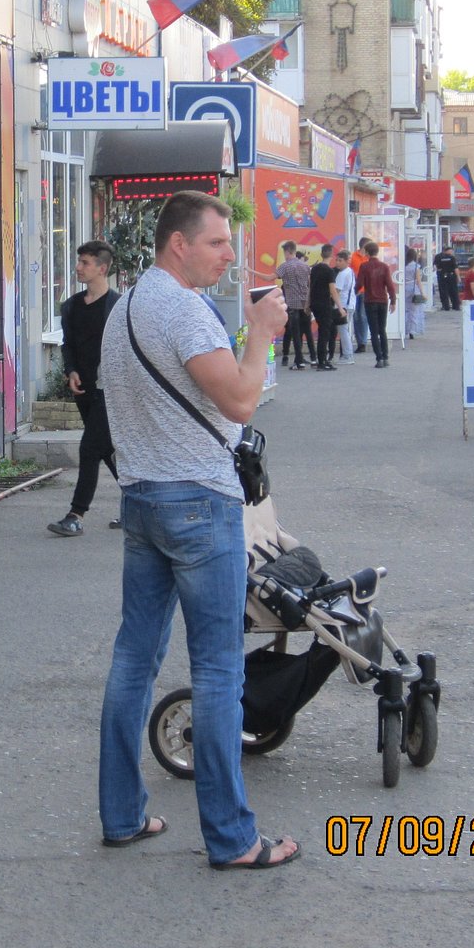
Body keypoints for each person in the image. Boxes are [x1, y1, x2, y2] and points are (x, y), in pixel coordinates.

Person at [97, 191, 299, 869]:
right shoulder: (182, 310)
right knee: (218, 670)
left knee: (134, 659)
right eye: (216, 243)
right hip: (198, 503)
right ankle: (233, 838)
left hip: (142, 499)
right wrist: (264, 331)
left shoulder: (126, 307)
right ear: (178, 244)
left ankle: (122, 814)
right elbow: (241, 398)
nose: (228, 255)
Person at [47, 240, 120, 536]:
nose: (78, 267)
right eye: (79, 262)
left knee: (90, 447)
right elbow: (68, 346)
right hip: (84, 389)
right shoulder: (72, 306)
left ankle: (76, 514)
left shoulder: (118, 306)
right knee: (107, 449)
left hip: (111, 390)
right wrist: (71, 371)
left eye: (85, 263)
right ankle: (140, 503)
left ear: (102, 268)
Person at [355, 242, 396, 368]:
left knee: (373, 331)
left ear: (367, 252)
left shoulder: (364, 266)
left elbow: (360, 283)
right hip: (382, 301)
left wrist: (354, 292)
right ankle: (386, 357)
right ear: (377, 252)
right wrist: (393, 300)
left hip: (370, 300)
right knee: (382, 330)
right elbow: (390, 285)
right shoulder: (384, 266)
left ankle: (379, 358)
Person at [275, 241, 313, 369]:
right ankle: (308, 358)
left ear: (287, 252)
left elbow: (270, 277)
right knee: (305, 331)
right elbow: (309, 284)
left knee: (294, 333)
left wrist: (250, 271)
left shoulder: (284, 266)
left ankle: (299, 361)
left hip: (292, 304)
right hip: (304, 303)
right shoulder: (305, 266)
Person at [308, 243, 341, 370]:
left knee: (323, 330)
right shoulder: (329, 271)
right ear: (331, 255)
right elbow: (333, 291)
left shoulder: (315, 268)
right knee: (324, 333)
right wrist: (340, 307)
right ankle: (322, 361)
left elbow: (310, 287)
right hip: (325, 304)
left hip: (315, 303)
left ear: (321, 254)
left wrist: (307, 304)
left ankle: (322, 360)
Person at [333, 250, 356, 364]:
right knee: (345, 330)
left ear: (347, 261)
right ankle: (347, 355)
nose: (337, 263)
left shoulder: (342, 274)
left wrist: (338, 306)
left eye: (340, 260)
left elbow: (336, 291)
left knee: (343, 331)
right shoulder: (350, 271)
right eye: (336, 260)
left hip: (343, 305)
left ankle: (347, 355)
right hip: (349, 304)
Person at [348, 238, 371, 352]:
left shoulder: (369, 258)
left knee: (363, 316)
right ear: (364, 246)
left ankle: (363, 342)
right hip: (355, 290)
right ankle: (359, 341)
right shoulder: (353, 257)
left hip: (366, 290)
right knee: (356, 316)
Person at [405, 248, 426, 340]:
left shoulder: (404, 265)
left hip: (405, 288)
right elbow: (418, 281)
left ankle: (404, 328)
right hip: (414, 289)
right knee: (414, 310)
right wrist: (423, 293)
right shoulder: (416, 266)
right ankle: (412, 330)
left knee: (406, 310)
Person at [433, 245, 461, 311]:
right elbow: (455, 268)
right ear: (448, 251)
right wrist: (458, 277)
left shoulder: (438, 256)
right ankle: (456, 306)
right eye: (451, 251)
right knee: (453, 291)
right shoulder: (452, 257)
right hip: (451, 275)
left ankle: (445, 306)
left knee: (443, 291)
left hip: (442, 276)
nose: (452, 252)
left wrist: (438, 271)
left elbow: (435, 266)